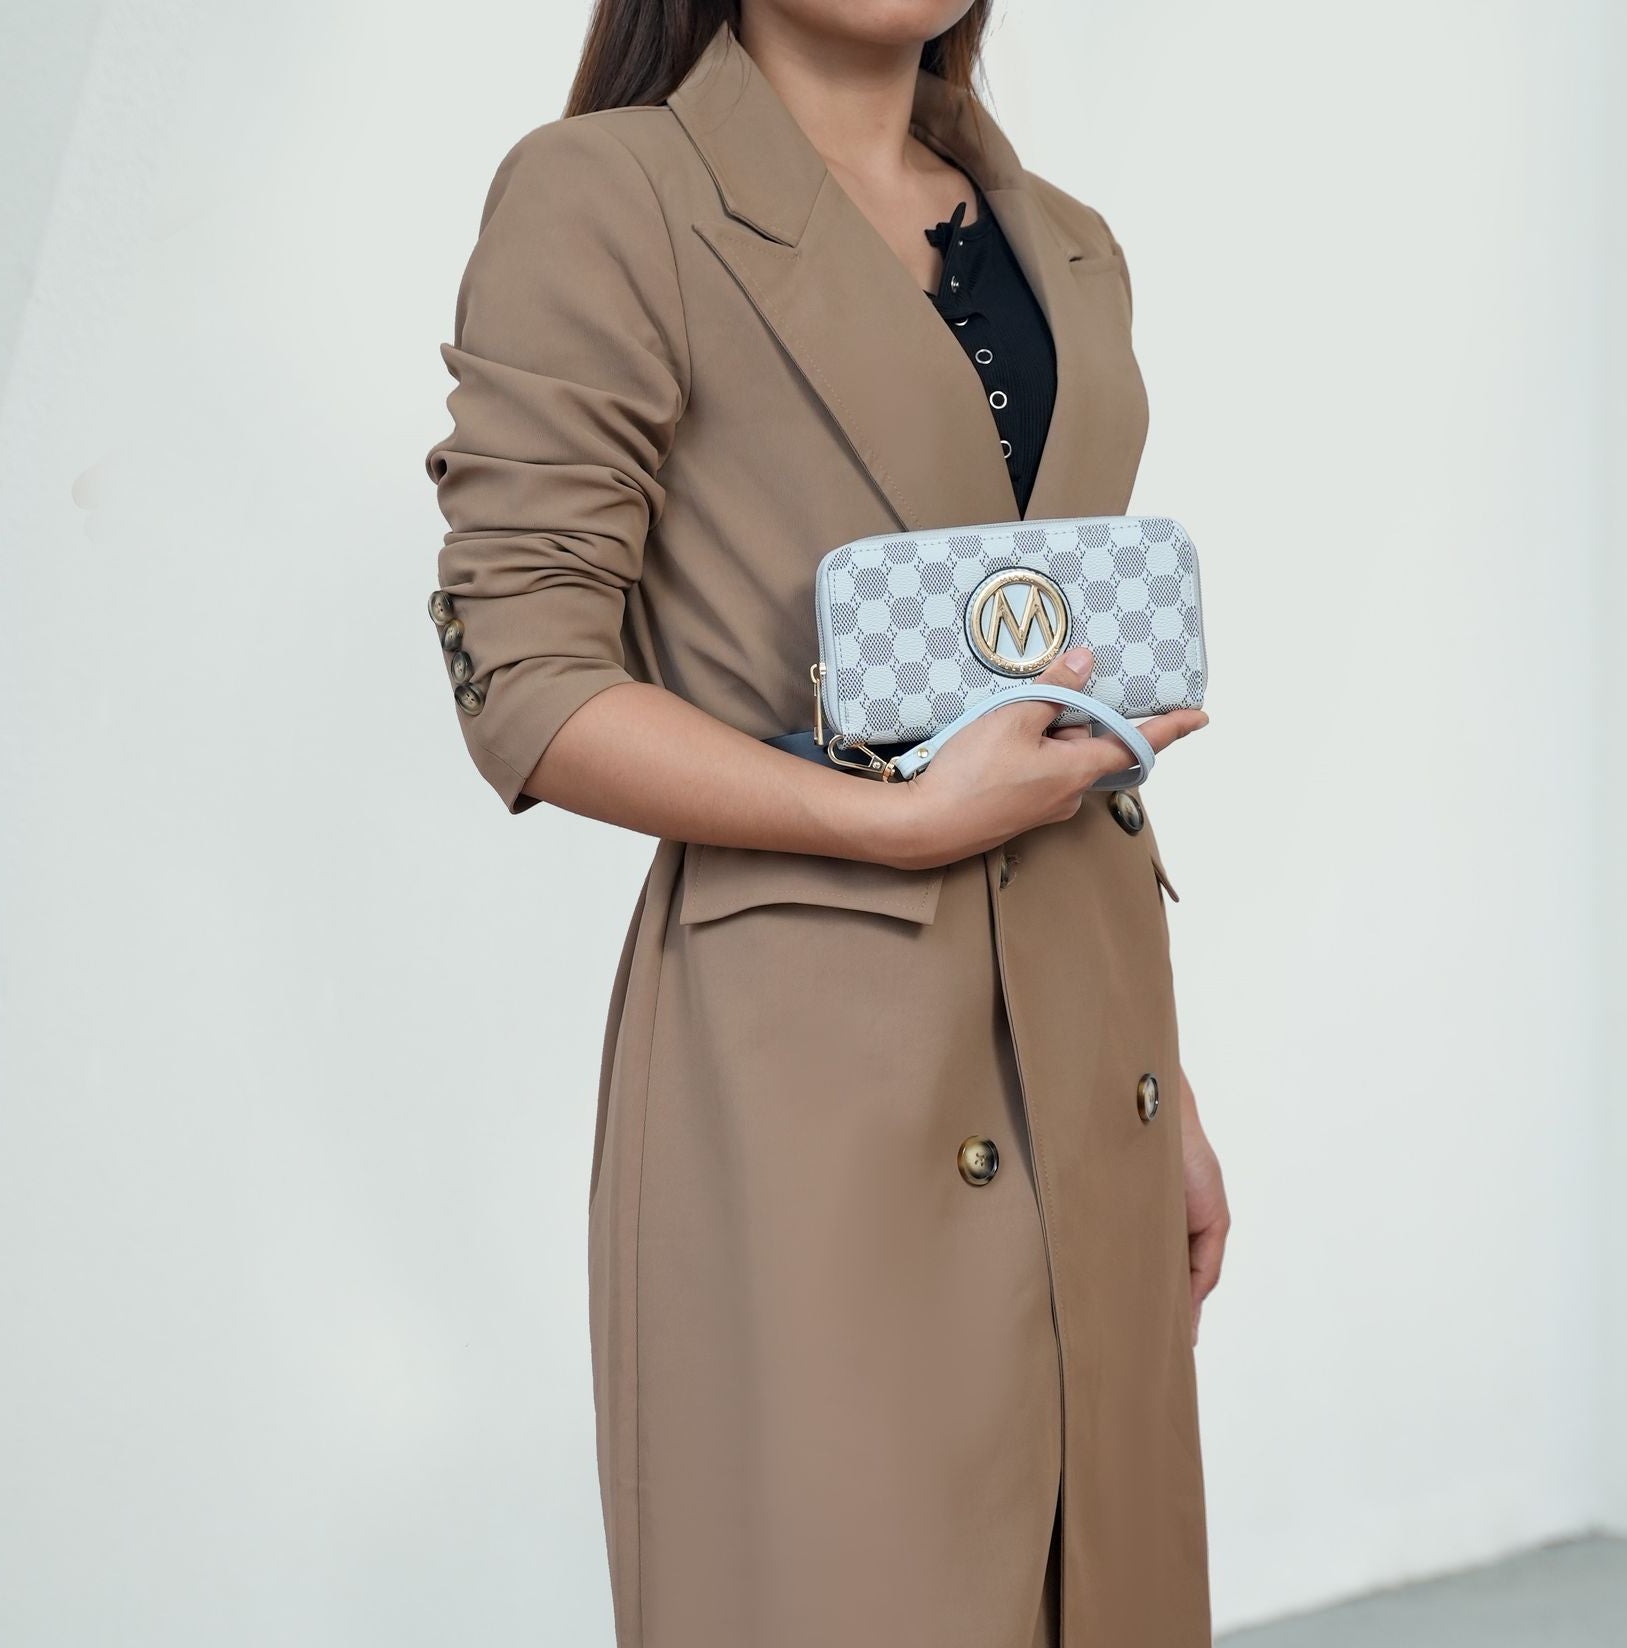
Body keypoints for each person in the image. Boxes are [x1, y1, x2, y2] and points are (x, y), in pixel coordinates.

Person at [422, 6, 1227, 1644]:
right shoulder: (612, 196)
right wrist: (892, 820)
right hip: (810, 1079)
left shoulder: (1066, 242)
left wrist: (1168, 1094)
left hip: (1093, 1062)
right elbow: (527, 677)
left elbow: (1049, 699)